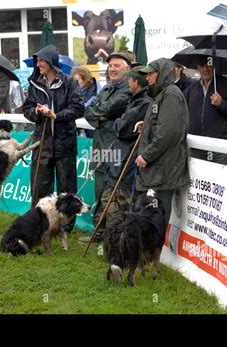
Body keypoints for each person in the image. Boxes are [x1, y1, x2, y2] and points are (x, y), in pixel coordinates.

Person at [21, 44, 85, 234]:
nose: (38, 63)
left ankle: (65, 229)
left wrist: (56, 115)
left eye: (41, 60)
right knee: (40, 189)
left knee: (67, 190)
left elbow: (78, 108)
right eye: (37, 61)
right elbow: (27, 110)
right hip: (42, 144)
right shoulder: (34, 83)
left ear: (50, 62)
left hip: (65, 144)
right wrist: (37, 112)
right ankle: (38, 228)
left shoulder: (69, 82)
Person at [80, 52, 132, 243]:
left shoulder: (128, 89)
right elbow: (89, 111)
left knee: (112, 192)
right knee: (99, 189)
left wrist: (101, 115)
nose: (112, 69)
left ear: (128, 69)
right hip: (99, 144)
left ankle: (111, 233)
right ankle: (98, 231)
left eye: (117, 65)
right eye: (110, 66)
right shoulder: (106, 88)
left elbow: (107, 108)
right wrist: (101, 117)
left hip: (116, 146)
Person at [135, 58, 190, 228]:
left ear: (161, 74)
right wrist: (148, 126)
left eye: (150, 74)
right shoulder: (163, 94)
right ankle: (149, 251)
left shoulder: (170, 94)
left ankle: (152, 252)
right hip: (159, 168)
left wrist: (146, 154)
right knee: (150, 213)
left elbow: (168, 132)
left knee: (156, 216)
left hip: (164, 168)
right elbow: (164, 125)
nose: (148, 78)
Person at [100, 66, 151, 228]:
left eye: (129, 79)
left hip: (128, 161)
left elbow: (122, 128)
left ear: (135, 82)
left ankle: (121, 237)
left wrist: (118, 120)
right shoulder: (135, 99)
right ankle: (115, 237)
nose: (127, 82)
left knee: (122, 204)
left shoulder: (143, 103)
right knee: (108, 199)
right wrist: (121, 119)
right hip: (120, 159)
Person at [184, 56, 227, 166]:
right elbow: (181, 111)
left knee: (222, 181)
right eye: (202, 65)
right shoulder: (192, 88)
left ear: (214, 65)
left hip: (221, 146)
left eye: (209, 65)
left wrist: (222, 104)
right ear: (197, 66)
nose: (205, 69)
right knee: (200, 180)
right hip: (197, 146)